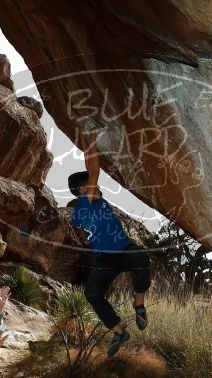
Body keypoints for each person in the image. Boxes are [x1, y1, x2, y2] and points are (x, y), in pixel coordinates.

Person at [69, 127, 151, 357]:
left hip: (118, 251)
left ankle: (136, 309)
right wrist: (91, 140)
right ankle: (120, 329)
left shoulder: (83, 207)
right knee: (96, 291)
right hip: (110, 255)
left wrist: (85, 139)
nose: (97, 186)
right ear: (83, 189)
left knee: (139, 259)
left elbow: (89, 170)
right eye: (91, 184)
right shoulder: (87, 200)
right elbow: (93, 169)